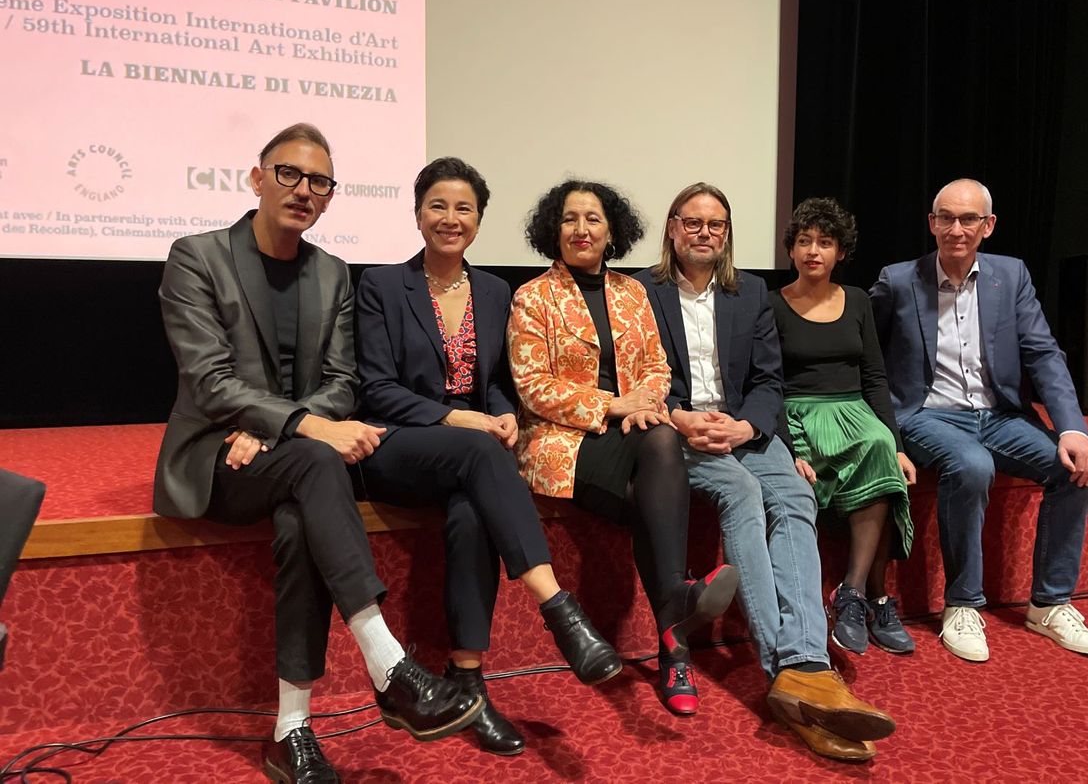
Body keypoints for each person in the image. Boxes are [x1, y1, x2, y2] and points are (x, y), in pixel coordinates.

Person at [154, 124, 480, 784]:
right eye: (289, 175)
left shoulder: (330, 271)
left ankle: (291, 730)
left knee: (305, 502)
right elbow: (211, 380)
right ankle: (388, 665)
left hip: (285, 453)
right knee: (318, 462)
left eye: (319, 182)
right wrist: (303, 427)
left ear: (330, 197)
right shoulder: (197, 256)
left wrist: (287, 429)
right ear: (256, 179)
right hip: (219, 455)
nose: (304, 190)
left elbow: (342, 380)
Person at [354, 158, 622, 756]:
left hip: (469, 452)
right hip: (396, 445)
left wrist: (500, 412)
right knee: (479, 450)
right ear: (418, 213)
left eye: (464, 209)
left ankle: (468, 684)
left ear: (479, 220)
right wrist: (460, 418)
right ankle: (558, 608)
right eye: (438, 207)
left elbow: (496, 381)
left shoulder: (495, 290)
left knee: (474, 511)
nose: (451, 219)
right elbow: (374, 388)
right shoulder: (380, 285)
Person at [635, 183, 896, 764]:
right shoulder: (641, 292)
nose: (705, 233)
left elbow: (769, 382)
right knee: (746, 494)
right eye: (693, 222)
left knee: (796, 497)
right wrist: (678, 417)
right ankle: (794, 669)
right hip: (675, 433)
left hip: (744, 430)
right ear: (673, 228)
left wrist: (747, 428)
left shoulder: (749, 292)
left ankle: (804, 667)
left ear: (727, 234)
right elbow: (632, 376)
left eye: (717, 225)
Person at [506, 180, 738, 717]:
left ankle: (673, 632)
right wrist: (615, 404)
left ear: (613, 231)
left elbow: (658, 366)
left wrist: (644, 401)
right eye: (569, 219)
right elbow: (534, 387)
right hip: (564, 440)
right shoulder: (532, 296)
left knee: (658, 442)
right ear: (552, 230)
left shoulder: (632, 292)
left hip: (633, 430)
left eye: (593, 219)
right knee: (658, 479)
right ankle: (673, 637)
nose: (581, 229)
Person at [870, 178, 1088, 663]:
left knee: (1076, 469)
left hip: (998, 415)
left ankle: (1050, 602)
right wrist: (883, 430)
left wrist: (1073, 428)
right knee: (973, 465)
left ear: (988, 226)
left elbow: (1043, 353)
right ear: (931, 223)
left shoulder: (1010, 276)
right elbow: (866, 357)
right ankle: (962, 604)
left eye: (969, 219)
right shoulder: (897, 281)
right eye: (946, 218)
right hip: (927, 415)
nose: (957, 229)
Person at [771, 198, 917, 656]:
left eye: (825, 242)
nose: (814, 251)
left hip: (853, 410)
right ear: (791, 250)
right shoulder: (771, 305)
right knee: (874, 457)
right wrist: (784, 442)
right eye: (804, 241)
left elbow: (874, 376)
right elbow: (767, 382)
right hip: (800, 414)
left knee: (879, 450)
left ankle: (853, 592)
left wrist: (896, 443)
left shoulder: (856, 300)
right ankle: (874, 599)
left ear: (840, 252)